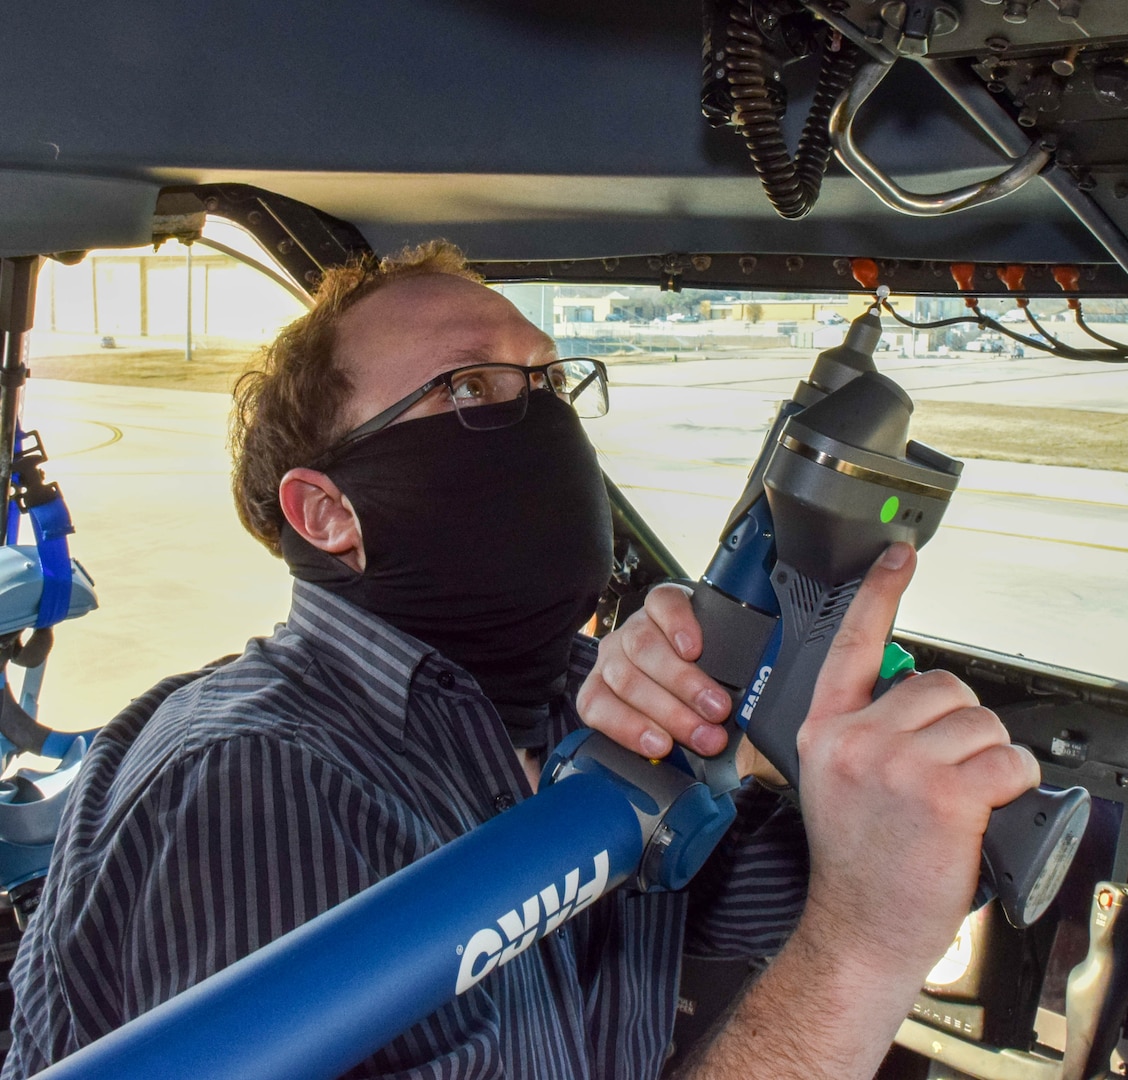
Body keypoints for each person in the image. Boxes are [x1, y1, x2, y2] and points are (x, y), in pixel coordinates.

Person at [3, 242, 1038, 1079]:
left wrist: (800, 745)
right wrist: (857, 960)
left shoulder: (571, 710)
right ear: (329, 514)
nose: (541, 417)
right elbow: (854, 929)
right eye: (473, 389)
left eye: (549, 380)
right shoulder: (259, 781)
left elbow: (829, 881)